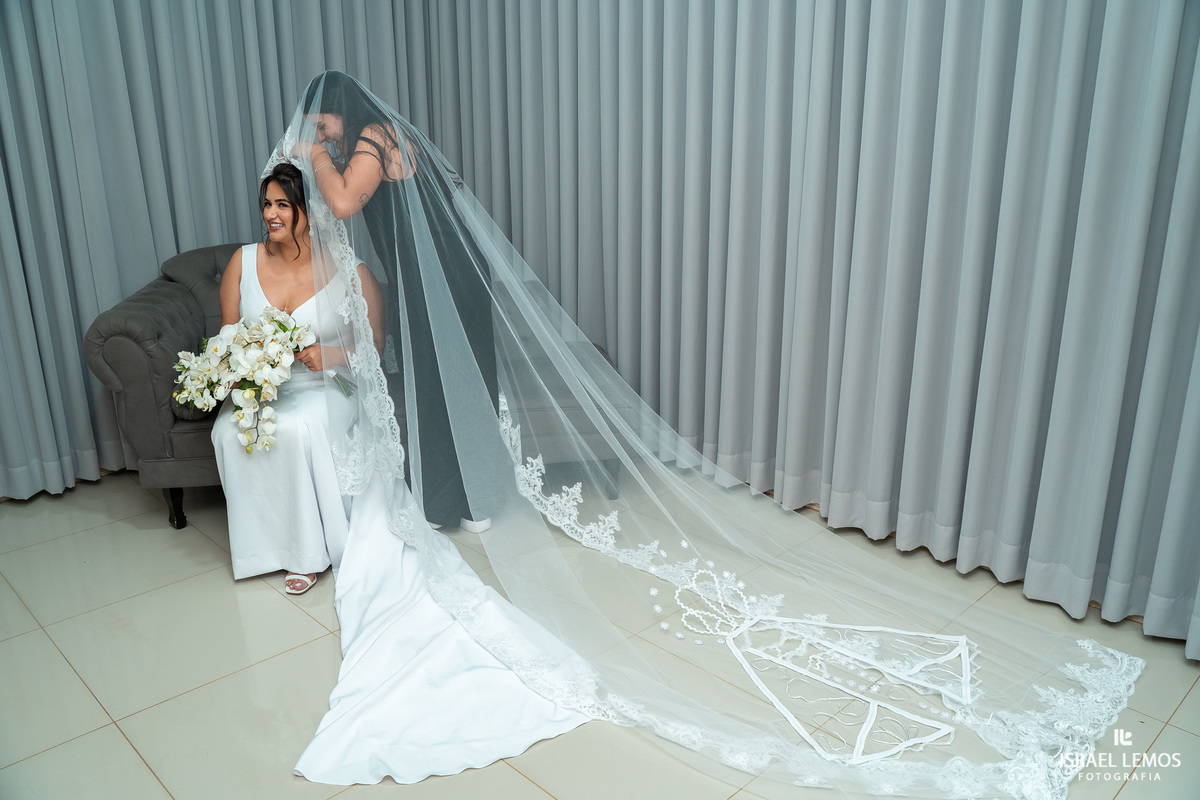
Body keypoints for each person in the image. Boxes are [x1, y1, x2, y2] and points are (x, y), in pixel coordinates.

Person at [259, 72, 1144, 798]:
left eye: (325, 115)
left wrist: (307, 151)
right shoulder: (385, 138)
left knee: (459, 395)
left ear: (346, 112)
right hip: (433, 279)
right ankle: (460, 498)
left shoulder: (369, 147)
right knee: (452, 398)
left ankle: (465, 498)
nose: (322, 129)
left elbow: (341, 194)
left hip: (438, 280)